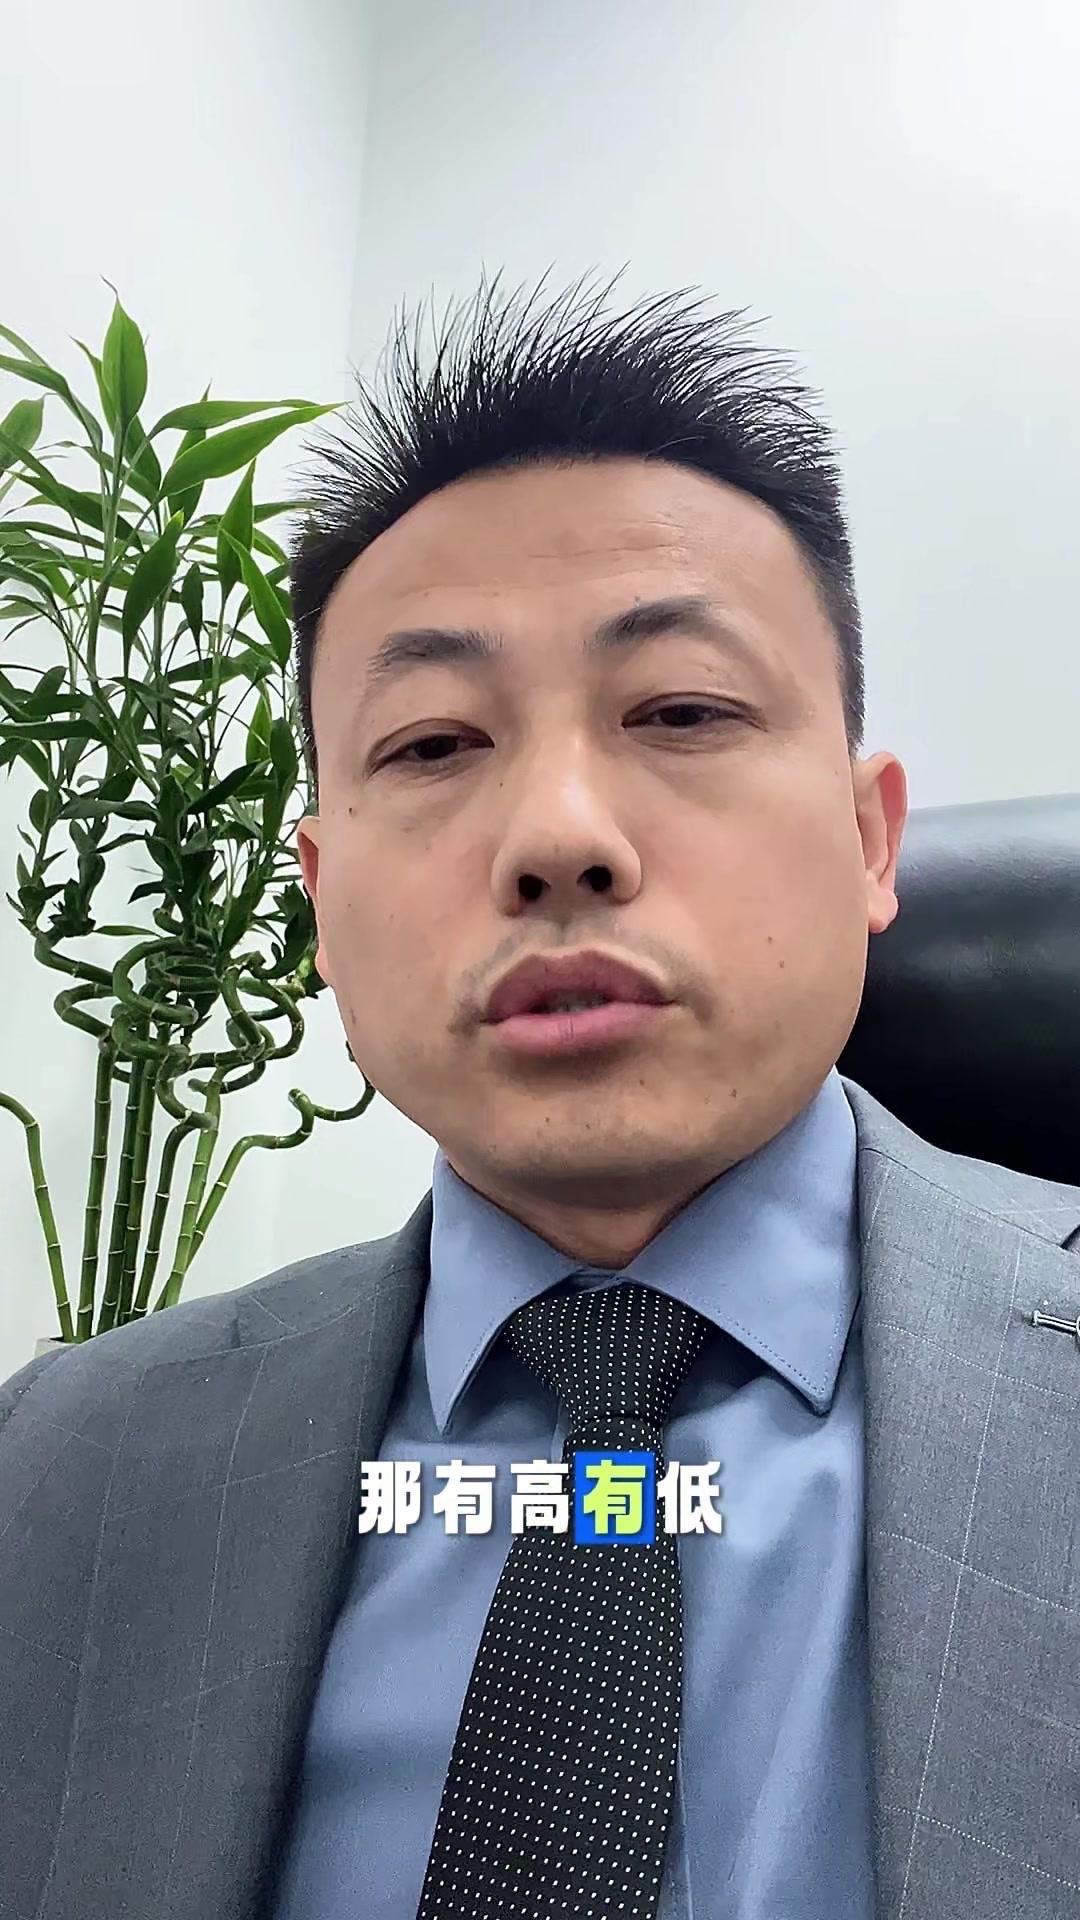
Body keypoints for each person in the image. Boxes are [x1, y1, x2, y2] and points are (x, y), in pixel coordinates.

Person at [1, 275, 1078, 1920]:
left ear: (872, 841)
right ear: (318, 901)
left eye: (683, 711)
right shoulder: (61, 1463)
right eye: (434, 745)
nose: (558, 836)